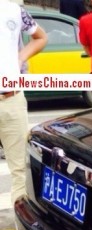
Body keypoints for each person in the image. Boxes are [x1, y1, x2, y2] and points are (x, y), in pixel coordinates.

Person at [0, 0, 47, 204]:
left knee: (19, 169)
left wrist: (20, 58)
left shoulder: (14, 10)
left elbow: (40, 37)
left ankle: (20, 221)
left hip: (12, 99)